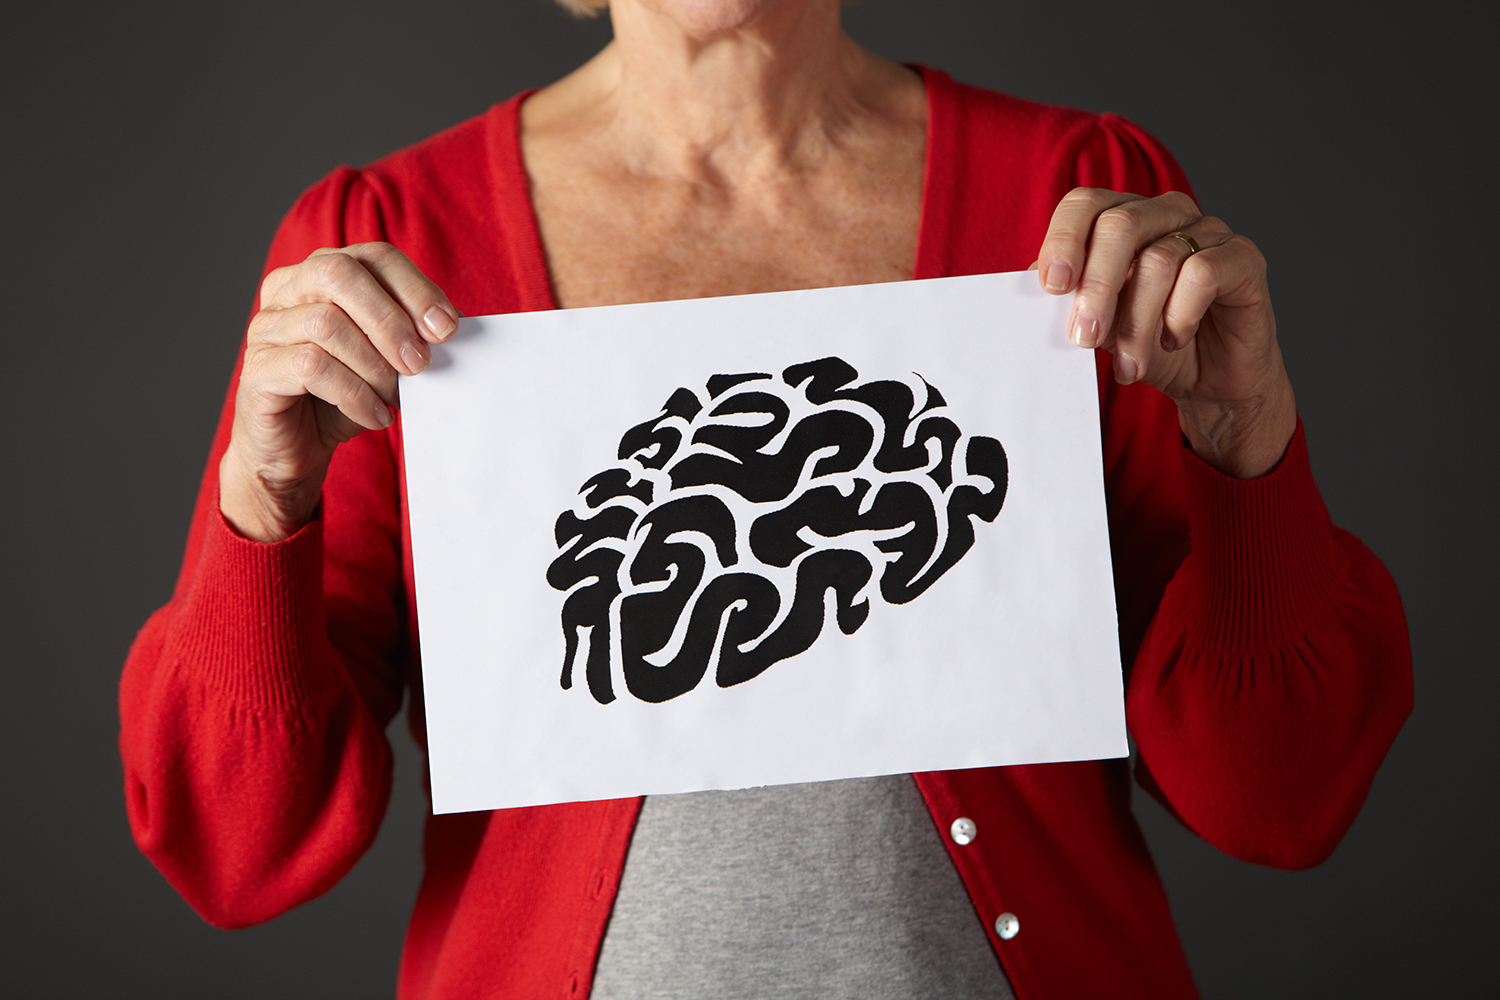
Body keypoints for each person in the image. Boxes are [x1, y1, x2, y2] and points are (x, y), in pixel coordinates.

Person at [118, 1, 1412, 997]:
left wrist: (1246, 434)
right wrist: (262, 499)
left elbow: (1280, 797)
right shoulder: (390, 238)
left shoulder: (1077, 206)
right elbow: (239, 848)